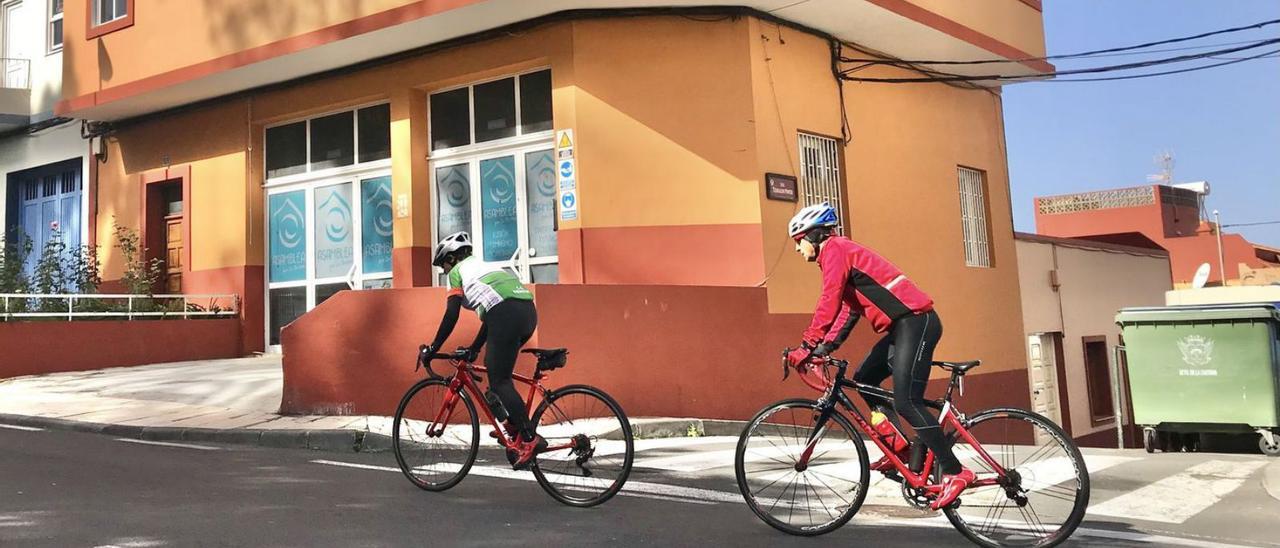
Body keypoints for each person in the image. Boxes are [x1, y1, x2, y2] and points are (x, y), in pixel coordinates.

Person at [783, 202, 973, 510]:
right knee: (864, 379)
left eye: (798, 241)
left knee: (907, 401)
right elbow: (847, 310)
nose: (796, 249)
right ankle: (899, 445)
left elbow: (828, 299)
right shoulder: (839, 255)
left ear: (814, 236)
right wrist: (823, 348)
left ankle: (955, 472)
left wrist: (806, 345)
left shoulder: (835, 250)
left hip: (916, 322)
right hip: (902, 328)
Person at [424, 231, 546, 469]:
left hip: (506, 314)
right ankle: (514, 427)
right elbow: (491, 318)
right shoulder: (486, 267)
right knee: (496, 374)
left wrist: (433, 348)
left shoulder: (458, 272)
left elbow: (452, 314)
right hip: (527, 313)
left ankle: (530, 439)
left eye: (444, 266)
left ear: (450, 259)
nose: (445, 272)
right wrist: (474, 349)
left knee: (500, 381)